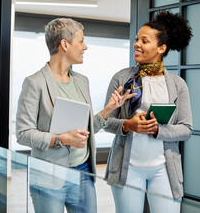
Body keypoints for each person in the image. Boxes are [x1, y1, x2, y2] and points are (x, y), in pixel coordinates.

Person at [16, 18, 135, 213]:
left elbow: (86, 128)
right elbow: (23, 134)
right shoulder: (34, 83)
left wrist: (107, 110)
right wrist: (62, 139)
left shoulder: (82, 81)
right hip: (49, 176)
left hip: (83, 172)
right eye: (81, 41)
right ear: (64, 44)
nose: (85, 47)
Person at [103, 11, 193, 213]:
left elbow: (186, 129)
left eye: (144, 41)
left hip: (164, 171)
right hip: (128, 170)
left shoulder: (177, 85)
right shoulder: (121, 78)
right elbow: (105, 121)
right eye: (136, 39)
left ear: (161, 48)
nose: (137, 44)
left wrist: (157, 130)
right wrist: (128, 125)